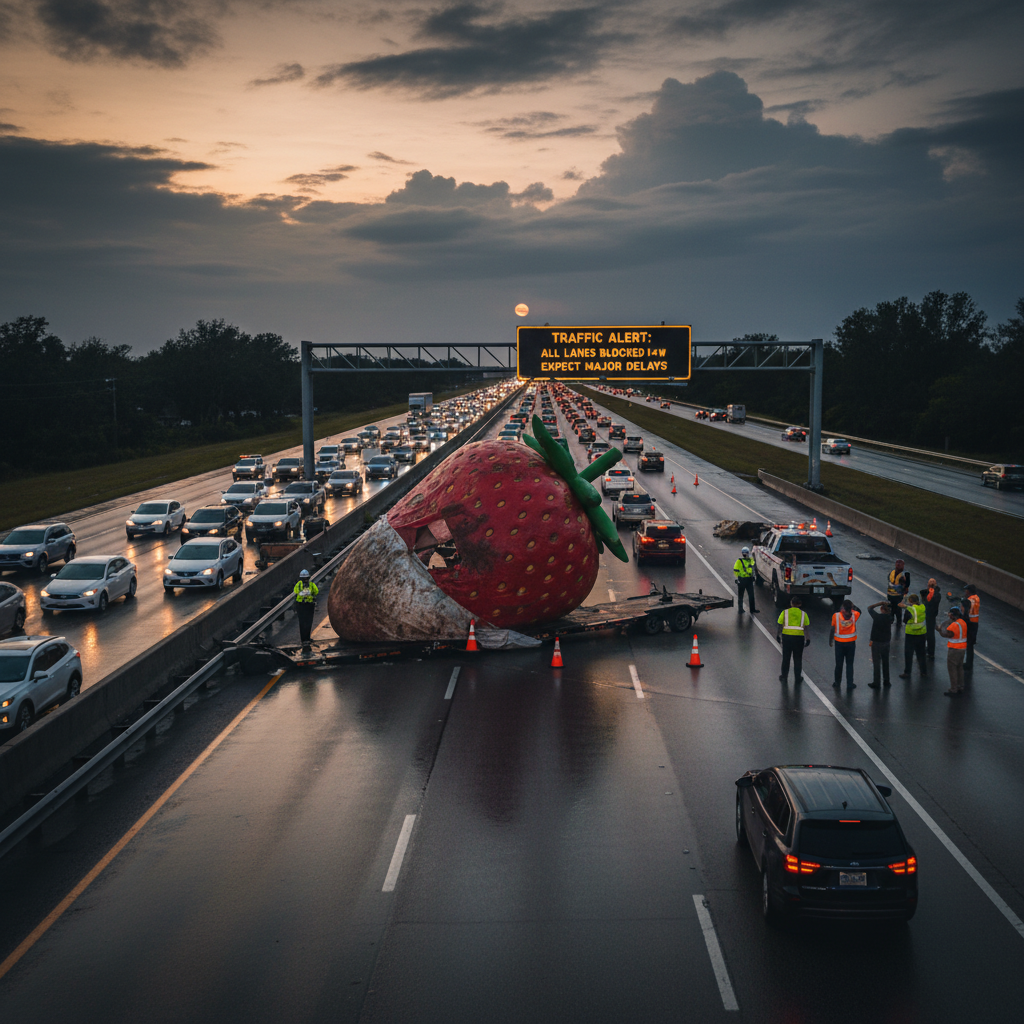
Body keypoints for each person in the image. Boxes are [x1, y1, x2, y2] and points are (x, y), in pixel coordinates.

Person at [828, 599, 861, 689]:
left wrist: (830, 640)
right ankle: (850, 684)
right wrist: (852, 606)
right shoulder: (854, 615)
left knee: (839, 664)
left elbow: (832, 629)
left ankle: (837, 682)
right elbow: (859, 611)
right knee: (849, 664)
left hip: (839, 643)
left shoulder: (836, 616)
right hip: (851, 643)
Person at [776, 597, 810, 685]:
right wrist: (808, 638)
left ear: (791, 603)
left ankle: (784, 676)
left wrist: (778, 635)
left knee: (786, 658)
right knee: (798, 658)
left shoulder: (785, 612)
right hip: (799, 638)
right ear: (800, 604)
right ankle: (798, 677)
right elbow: (806, 627)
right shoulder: (803, 614)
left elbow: (780, 624)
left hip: (787, 637)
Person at [938, 605, 968, 696]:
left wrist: (939, 630)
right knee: (959, 668)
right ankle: (960, 686)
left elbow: (947, 634)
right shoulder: (963, 622)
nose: (949, 615)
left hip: (954, 650)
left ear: (952, 615)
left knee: (952, 669)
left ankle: (953, 689)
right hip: (962, 649)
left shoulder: (953, 625)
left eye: (950, 614)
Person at [899, 593, 928, 679]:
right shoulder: (923, 607)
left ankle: (907, 672)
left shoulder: (910, 609)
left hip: (911, 634)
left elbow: (905, 620)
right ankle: (924, 671)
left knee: (909, 654)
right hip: (922, 633)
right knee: (921, 654)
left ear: (910, 601)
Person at [866, 600, 894, 688]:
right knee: (885, 662)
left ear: (882, 609)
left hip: (877, 642)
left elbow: (869, 608)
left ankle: (876, 682)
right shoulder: (890, 618)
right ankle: (887, 681)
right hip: (886, 642)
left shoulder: (877, 617)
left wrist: (879, 603)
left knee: (877, 663)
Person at [293, 568, 319, 644]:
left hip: (309, 605)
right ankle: (303, 639)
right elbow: (296, 591)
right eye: (304, 578)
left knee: (308, 622)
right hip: (301, 605)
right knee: (302, 622)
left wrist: (309, 594)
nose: (305, 580)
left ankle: (307, 638)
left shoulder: (311, 585)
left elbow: (316, 591)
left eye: (306, 578)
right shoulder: (299, 585)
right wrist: (304, 593)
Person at [886, 559, 910, 633]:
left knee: (895, 608)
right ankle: (895, 621)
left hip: (893, 595)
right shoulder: (900, 574)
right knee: (895, 609)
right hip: (894, 595)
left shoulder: (894, 573)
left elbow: (888, 580)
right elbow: (906, 585)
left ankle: (894, 620)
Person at [962, 584, 981, 672]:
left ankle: (968, 664)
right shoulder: (976, 598)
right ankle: (969, 662)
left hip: (970, 623)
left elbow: (966, 611)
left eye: (966, 591)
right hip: (975, 623)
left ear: (969, 591)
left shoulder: (970, 600)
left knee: (969, 644)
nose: (965, 592)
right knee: (971, 644)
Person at [734, 546, 758, 614]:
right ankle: (750, 609)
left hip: (743, 580)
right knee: (750, 595)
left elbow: (735, 570)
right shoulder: (750, 560)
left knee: (742, 595)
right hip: (748, 580)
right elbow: (753, 568)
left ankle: (741, 609)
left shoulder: (739, 561)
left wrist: (738, 577)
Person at [923, 578, 942, 661]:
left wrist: (930, 590)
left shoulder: (934, 594)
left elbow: (929, 601)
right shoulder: (935, 593)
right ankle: (929, 649)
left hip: (931, 614)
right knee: (929, 633)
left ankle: (931, 652)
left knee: (930, 634)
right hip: (930, 614)